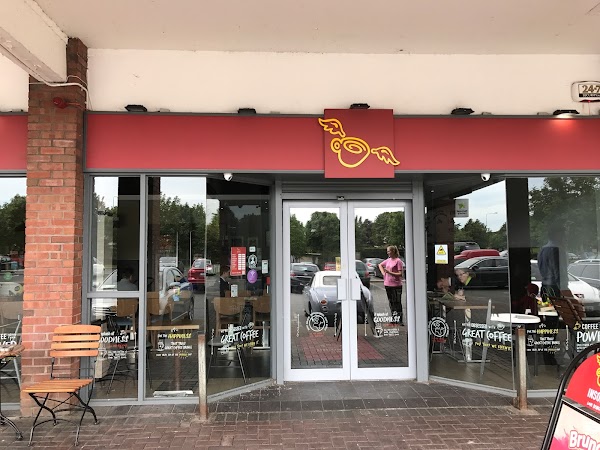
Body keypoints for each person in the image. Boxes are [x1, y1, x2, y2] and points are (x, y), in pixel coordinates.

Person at [378, 245, 405, 325]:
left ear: (393, 251)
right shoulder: (388, 260)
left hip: (396, 285)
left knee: (397, 302)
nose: (388, 253)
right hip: (388, 284)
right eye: (387, 251)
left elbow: (400, 274)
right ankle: (394, 318)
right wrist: (384, 273)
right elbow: (380, 265)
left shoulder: (398, 261)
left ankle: (399, 320)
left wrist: (390, 272)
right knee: (391, 302)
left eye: (389, 251)